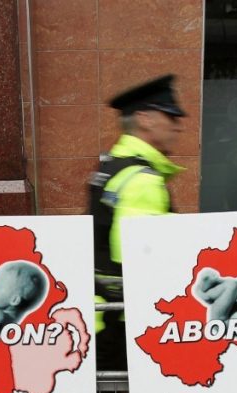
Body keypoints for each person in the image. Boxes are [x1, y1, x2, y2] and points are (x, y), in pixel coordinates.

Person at [88, 74, 185, 370]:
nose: (177, 125)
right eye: (169, 116)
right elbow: (143, 262)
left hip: (100, 315)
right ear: (145, 119)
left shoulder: (111, 166)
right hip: (122, 321)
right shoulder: (142, 180)